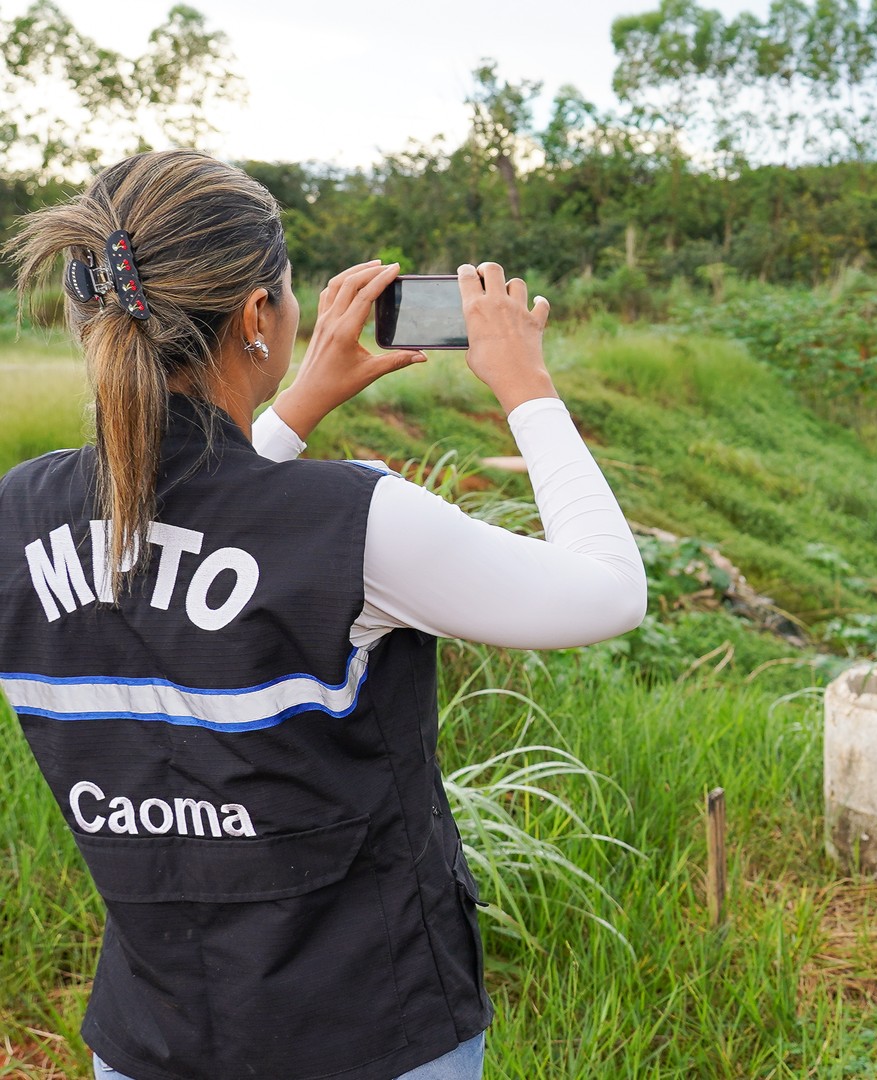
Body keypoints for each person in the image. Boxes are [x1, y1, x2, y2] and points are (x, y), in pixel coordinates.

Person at [0, 149, 648, 1080]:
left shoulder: (21, 513)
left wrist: (295, 403)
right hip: (368, 1033)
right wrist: (528, 390)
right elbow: (611, 592)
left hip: (149, 1040)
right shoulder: (360, 521)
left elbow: (179, 516)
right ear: (260, 316)